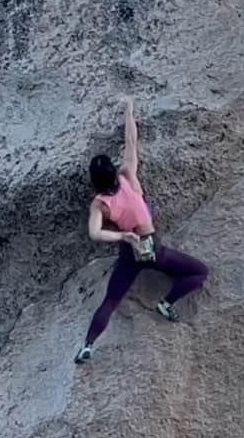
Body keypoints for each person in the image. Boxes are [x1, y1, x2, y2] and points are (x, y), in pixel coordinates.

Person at [74, 99, 209, 363]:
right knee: (200, 272)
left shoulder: (100, 204)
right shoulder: (127, 176)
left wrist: (122, 236)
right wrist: (129, 112)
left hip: (129, 250)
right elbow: (131, 143)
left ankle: (88, 345)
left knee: (112, 299)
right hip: (149, 245)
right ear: (113, 173)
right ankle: (166, 303)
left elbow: (95, 233)